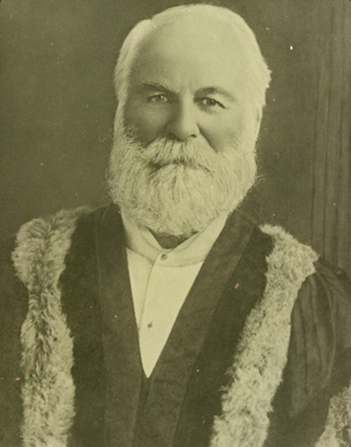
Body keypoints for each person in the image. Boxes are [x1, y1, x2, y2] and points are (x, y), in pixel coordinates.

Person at [0, 4, 350, 447]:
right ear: (120, 111)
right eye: (158, 97)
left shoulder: (320, 309)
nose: (183, 126)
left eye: (211, 101)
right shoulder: (18, 278)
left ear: (254, 123)